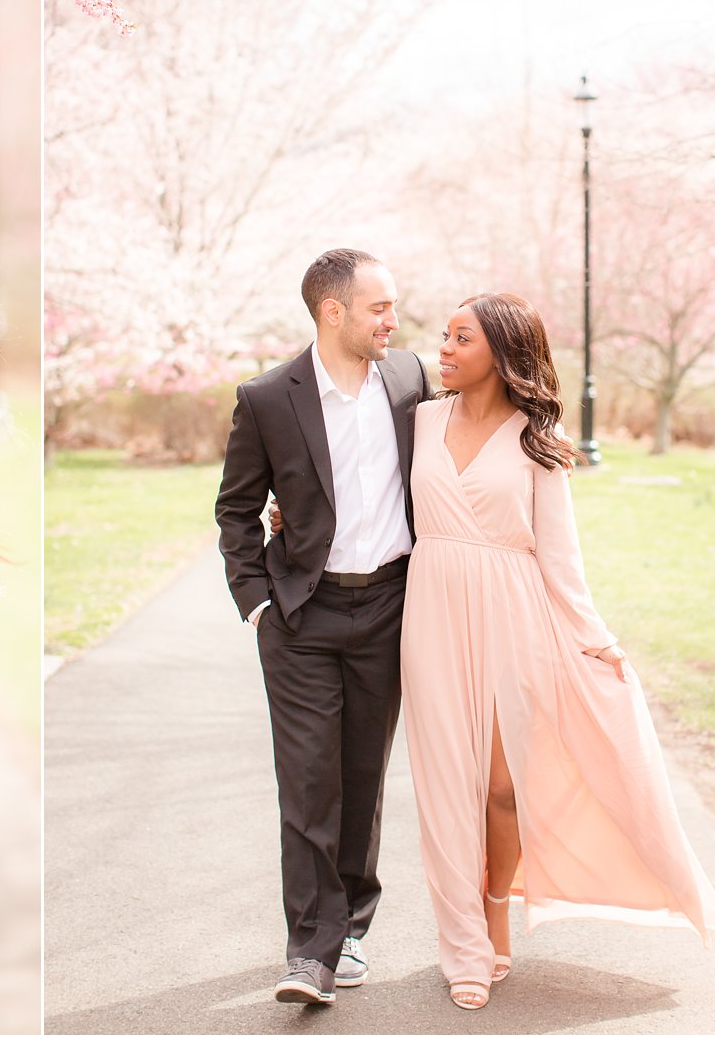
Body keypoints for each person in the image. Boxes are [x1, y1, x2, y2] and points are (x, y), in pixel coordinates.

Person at [401, 292, 715, 1010]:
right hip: (431, 611)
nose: (446, 348)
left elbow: (561, 558)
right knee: (443, 784)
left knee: (500, 784)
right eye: (445, 336)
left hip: (514, 613)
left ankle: (494, 910)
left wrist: (595, 639)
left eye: (462, 338)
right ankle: (462, 945)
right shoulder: (421, 421)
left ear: (502, 351)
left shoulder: (537, 441)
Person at [215, 248, 431, 1005]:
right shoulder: (270, 397)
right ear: (332, 311)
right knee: (309, 780)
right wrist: (260, 600)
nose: (393, 321)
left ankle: (352, 927)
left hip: (390, 607)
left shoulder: (409, 380)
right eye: (379, 307)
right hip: (302, 616)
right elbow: (236, 509)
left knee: (362, 775)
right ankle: (310, 950)